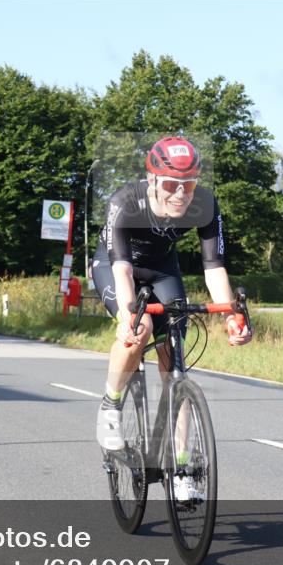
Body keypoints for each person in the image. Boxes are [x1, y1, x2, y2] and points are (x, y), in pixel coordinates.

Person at [92, 137, 251, 497]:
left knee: (175, 352)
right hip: (117, 264)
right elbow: (122, 271)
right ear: (152, 181)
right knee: (140, 328)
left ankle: (182, 466)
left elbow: (214, 268)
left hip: (164, 270)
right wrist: (127, 320)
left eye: (189, 184)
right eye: (170, 185)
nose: (180, 194)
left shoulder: (206, 204)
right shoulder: (125, 201)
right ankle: (111, 405)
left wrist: (230, 316)